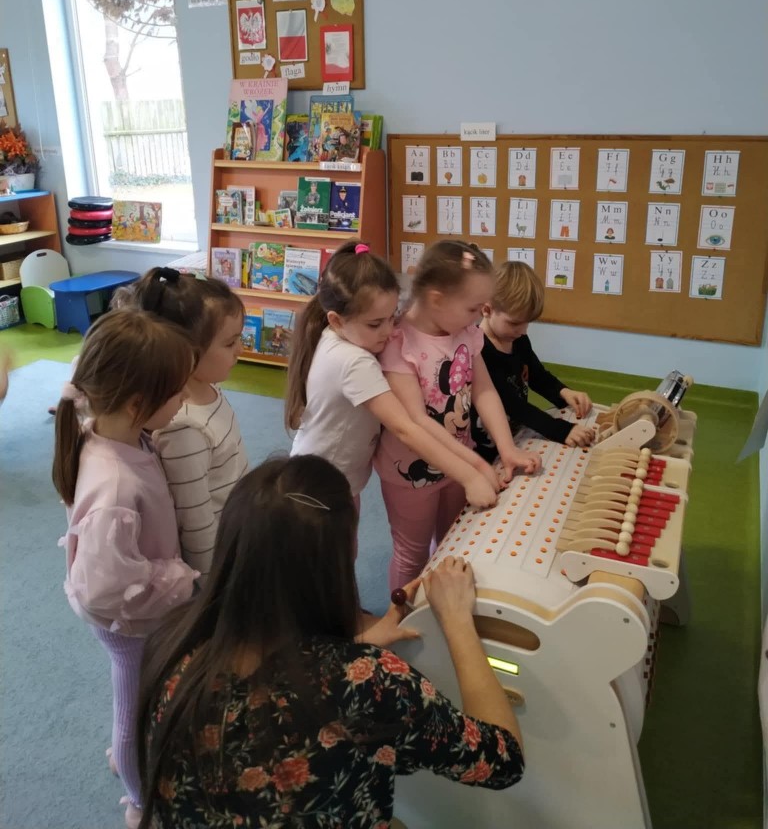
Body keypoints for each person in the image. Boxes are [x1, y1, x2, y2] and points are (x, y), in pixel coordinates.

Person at [136, 455, 524, 829]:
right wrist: (457, 621)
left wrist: (359, 641)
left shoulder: (175, 643)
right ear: (342, 555)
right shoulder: (370, 682)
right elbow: (502, 760)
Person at [53, 309, 199, 829]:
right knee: (133, 714)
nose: (184, 401)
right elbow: (106, 589)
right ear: (138, 404)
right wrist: (180, 579)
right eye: (176, 393)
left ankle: (129, 761)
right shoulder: (114, 485)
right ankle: (139, 802)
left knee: (144, 699)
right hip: (127, 621)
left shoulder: (114, 433)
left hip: (137, 605)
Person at [286, 242, 502, 528]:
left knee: (345, 548)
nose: (390, 331)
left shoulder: (343, 336)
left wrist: (474, 467)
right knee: (333, 553)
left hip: (334, 477)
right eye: (375, 324)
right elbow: (406, 427)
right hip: (319, 484)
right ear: (336, 320)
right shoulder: (354, 362)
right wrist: (472, 474)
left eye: (391, 317)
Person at [375, 241, 542, 590]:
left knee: (452, 542)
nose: (479, 316)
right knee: (412, 554)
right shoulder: (399, 343)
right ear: (437, 299)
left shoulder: (465, 331)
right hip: (411, 476)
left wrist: (506, 449)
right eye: (472, 308)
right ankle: (400, 616)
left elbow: (484, 391)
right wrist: (475, 469)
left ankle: (440, 606)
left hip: (459, 464)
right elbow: (417, 422)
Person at [114, 267, 249, 583]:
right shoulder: (183, 427)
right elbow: (195, 521)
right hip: (220, 557)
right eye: (230, 343)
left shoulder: (208, 387)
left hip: (237, 528)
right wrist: (211, 583)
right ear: (187, 352)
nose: (240, 351)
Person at [470, 261, 594, 461]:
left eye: (528, 323)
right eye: (515, 323)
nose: (523, 330)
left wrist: (564, 392)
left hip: (515, 438)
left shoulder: (518, 339)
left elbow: (537, 375)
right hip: (484, 450)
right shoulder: (480, 350)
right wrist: (560, 430)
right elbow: (513, 405)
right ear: (487, 309)